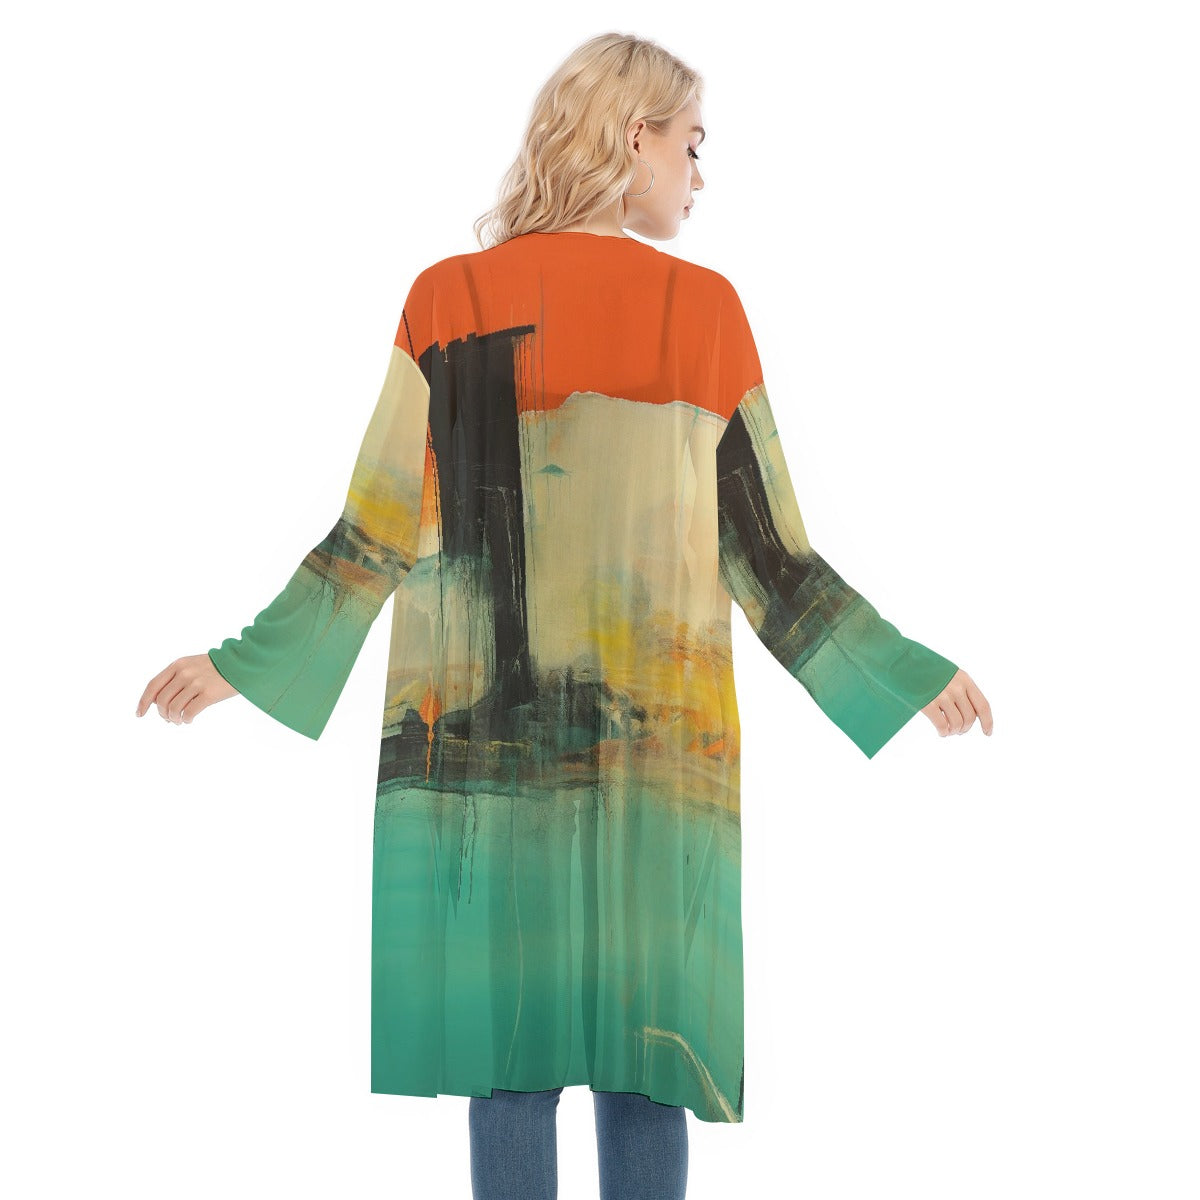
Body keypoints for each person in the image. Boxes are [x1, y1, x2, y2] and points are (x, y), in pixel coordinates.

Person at [136, 30, 991, 1200]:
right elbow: (772, 559)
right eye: (693, 144)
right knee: (648, 1056)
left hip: (490, 772)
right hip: (658, 769)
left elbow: (376, 528)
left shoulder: (452, 300)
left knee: (510, 1057)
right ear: (635, 139)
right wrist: (898, 671)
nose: (700, 173)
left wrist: (247, 662)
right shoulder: (701, 313)